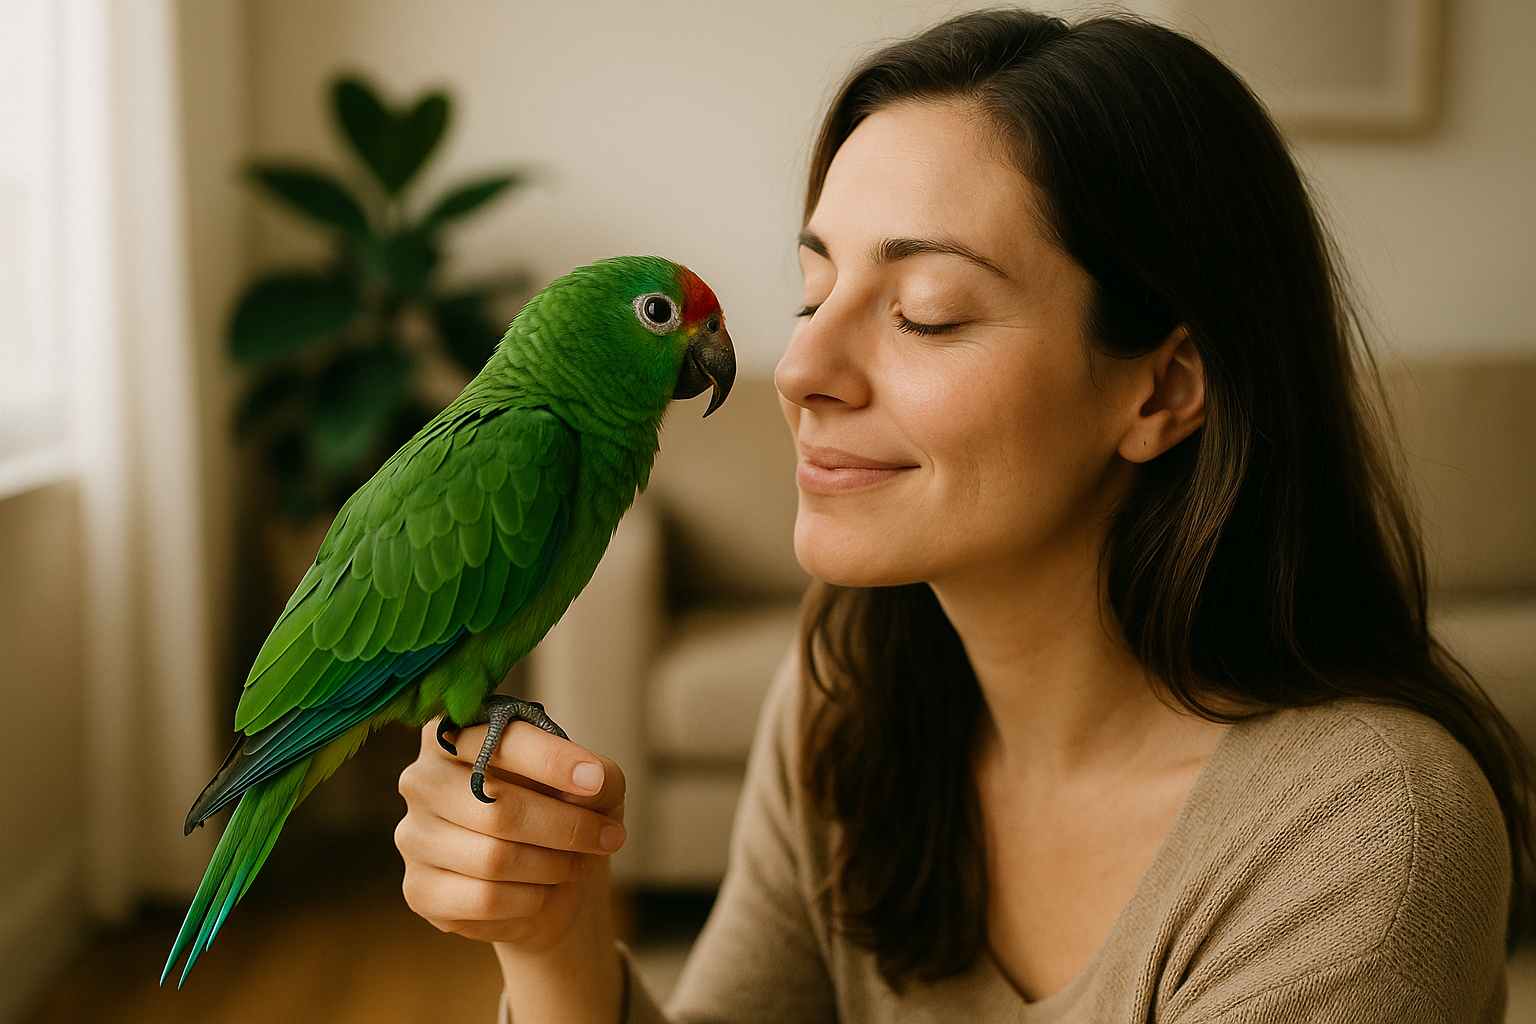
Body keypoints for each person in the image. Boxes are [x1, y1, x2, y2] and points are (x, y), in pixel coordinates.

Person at [392, 10, 1532, 1022]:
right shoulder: (845, 700)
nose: (799, 369)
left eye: (927, 311)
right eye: (814, 290)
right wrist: (550, 943)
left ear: (1165, 387)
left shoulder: (1372, 842)